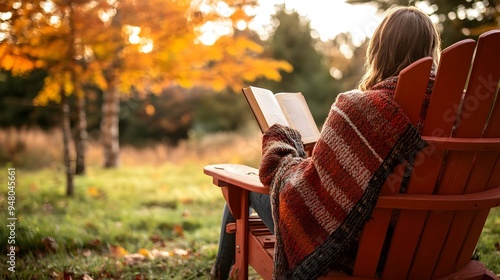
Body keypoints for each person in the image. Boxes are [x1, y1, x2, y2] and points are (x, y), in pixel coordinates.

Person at [211, 6, 441, 280]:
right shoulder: (458, 113)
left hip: (353, 251)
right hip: (430, 250)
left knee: (239, 188)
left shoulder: (360, 108)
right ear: (432, 49)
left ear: (378, 51)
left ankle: (218, 274)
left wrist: (282, 144)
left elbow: (309, 192)